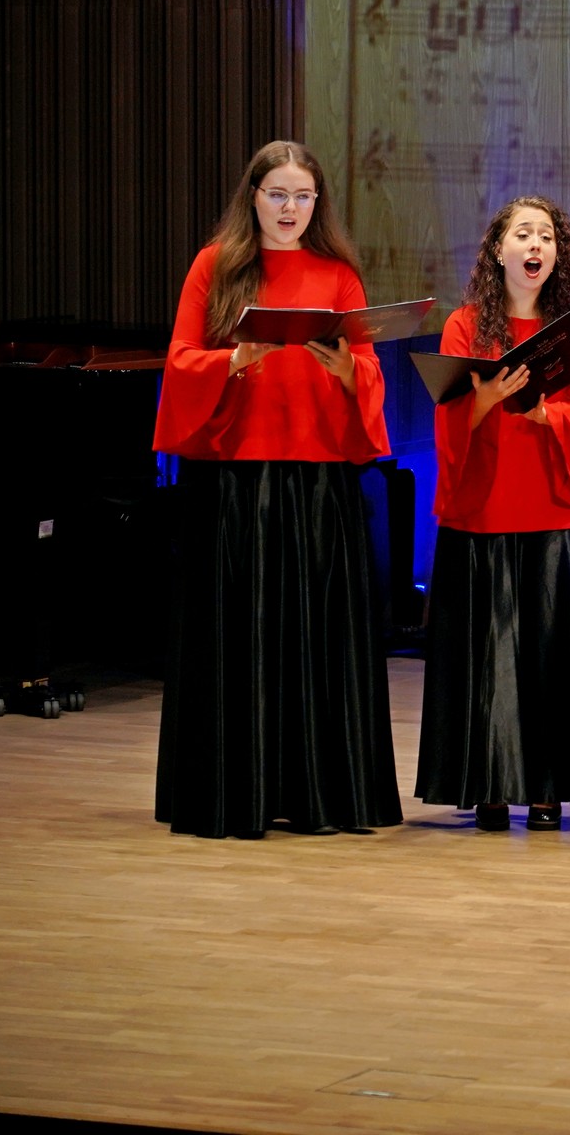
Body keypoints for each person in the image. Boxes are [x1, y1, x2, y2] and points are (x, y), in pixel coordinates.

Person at [152, 141, 400, 839]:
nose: (290, 209)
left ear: (317, 204)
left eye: (303, 197)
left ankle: (321, 792)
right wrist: (235, 357)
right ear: (252, 197)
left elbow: (370, 370)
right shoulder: (216, 266)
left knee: (317, 640)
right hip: (234, 479)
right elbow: (179, 363)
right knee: (238, 639)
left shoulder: (337, 274)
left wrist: (348, 369)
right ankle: (234, 790)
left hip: (317, 478)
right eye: (277, 195)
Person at [416, 198, 570, 832]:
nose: (535, 245)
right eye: (523, 234)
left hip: (547, 507)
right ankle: (487, 785)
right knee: (486, 656)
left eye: (546, 235)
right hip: (481, 509)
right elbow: (449, 412)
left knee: (546, 656)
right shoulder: (465, 326)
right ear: (498, 251)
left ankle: (546, 789)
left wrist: (551, 415)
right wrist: (485, 399)